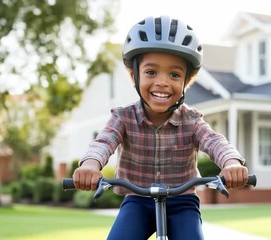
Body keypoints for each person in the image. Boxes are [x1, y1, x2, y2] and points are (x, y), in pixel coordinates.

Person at [73, 16, 248, 240]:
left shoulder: (192, 120)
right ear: (133, 76)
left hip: (182, 202)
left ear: (187, 82)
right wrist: (90, 165)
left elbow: (215, 142)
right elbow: (104, 141)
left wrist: (231, 163)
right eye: (151, 72)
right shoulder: (123, 117)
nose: (162, 82)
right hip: (138, 201)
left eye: (174, 74)